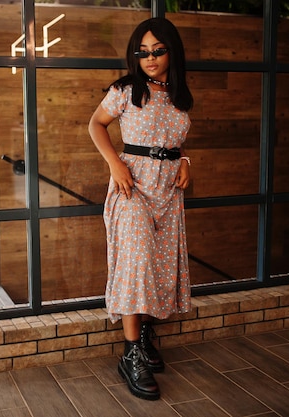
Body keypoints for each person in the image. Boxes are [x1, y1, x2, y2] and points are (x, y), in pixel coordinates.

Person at [88, 17, 193, 401]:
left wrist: (186, 163)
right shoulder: (126, 89)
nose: (150, 58)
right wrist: (114, 163)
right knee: (135, 265)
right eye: (142, 52)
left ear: (171, 52)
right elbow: (96, 125)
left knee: (159, 265)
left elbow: (175, 143)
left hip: (168, 192)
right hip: (132, 189)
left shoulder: (180, 96)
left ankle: (147, 336)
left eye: (158, 51)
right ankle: (131, 354)